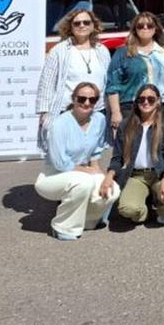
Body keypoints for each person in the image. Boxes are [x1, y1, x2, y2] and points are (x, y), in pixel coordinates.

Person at [34, 82, 119, 240]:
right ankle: (63, 227)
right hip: (53, 176)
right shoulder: (59, 124)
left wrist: (100, 175)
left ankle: (88, 220)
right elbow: (60, 163)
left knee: (113, 189)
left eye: (92, 100)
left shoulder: (99, 119)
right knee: (84, 182)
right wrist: (88, 171)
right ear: (73, 99)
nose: (86, 103)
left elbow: (96, 152)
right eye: (81, 99)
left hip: (82, 172)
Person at [101, 85, 164, 227]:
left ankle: (163, 209)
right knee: (128, 209)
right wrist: (109, 176)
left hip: (159, 173)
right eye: (142, 99)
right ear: (136, 102)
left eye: (151, 99)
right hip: (136, 175)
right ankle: (146, 212)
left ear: (158, 101)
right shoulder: (125, 125)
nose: (146, 102)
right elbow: (117, 158)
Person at [36, 8, 111, 151]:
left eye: (86, 22)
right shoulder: (60, 50)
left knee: (93, 153)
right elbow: (47, 83)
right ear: (70, 27)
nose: (82, 26)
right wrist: (44, 112)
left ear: (93, 26)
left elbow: (108, 81)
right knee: (70, 153)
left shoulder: (102, 50)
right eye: (77, 23)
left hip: (97, 111)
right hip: (68, 111)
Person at [105, 13, 164, 134]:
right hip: (131, 107)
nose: (145, 28)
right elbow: (113, 85)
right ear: (135, 29)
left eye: (149, 25)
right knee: (131, 144)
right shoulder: (123, 52)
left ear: (155, 28)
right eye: (140, 26)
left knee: (156, 143)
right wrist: (115, 112)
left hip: (158, 106)